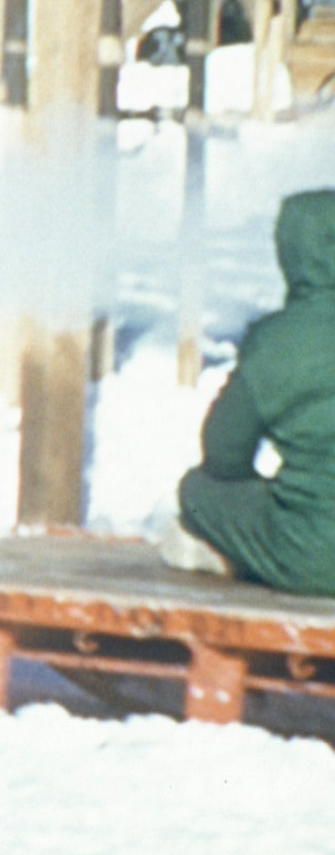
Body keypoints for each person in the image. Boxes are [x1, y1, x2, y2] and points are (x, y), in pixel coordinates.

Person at [167, 189, 335, 594]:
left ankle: (226, 555)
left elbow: (223, 456)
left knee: (197, 490)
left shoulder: (276, 342)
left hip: (314, 557)